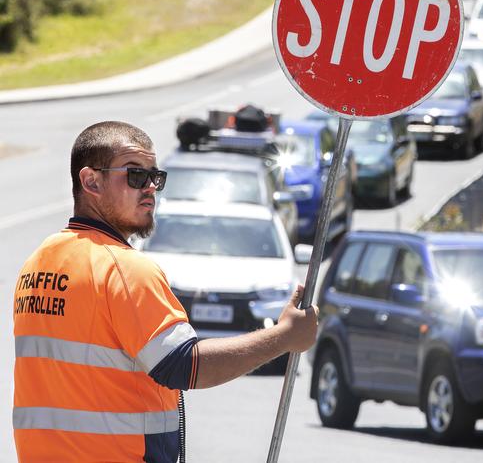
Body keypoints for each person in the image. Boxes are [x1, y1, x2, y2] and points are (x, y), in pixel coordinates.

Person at [13, 121, 318, 463]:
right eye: (135, 175)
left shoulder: (37, 263)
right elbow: (185, 366)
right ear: (90, 181)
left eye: (155, 177)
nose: (150, 189)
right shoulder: (125, 269)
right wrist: (285, 336)